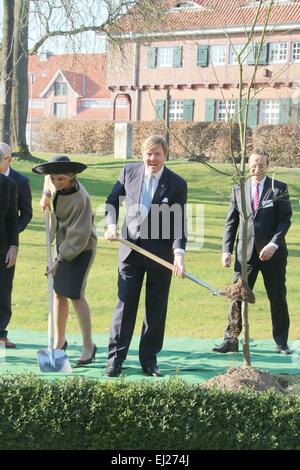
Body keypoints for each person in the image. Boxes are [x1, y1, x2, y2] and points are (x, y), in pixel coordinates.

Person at [104, 135, 187, 377]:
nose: (153, 159)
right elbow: (112, 200)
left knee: (156, 308)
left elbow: (179, 222)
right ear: (143, 154)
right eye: (149, 154)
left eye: (158, 154)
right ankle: (115, 360)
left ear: (165, 155)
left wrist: (179, 255)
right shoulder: (129, 172)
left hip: (161, 257)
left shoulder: (177, 184)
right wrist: (111, 224)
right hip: (130, 252)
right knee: (124, 305)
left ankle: (149, 360)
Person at [213, 148, 292, 355]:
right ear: (248, 164)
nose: (257, 168)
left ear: (268, 164)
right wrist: (226, 251)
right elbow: (231, 222)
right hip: (244, 255)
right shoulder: (239, 188)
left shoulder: (279, 188)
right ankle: (230, 340)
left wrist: (273, 245)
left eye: (262, 164)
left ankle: (281, 343)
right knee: (236, 296)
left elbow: (285, 220)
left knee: (277, 297)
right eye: (254, 164)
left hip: (272, 255)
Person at [32, 156, 97, 365]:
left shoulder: (81, 199)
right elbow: (47, 182)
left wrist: (58, 260)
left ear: (71, 178)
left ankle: (89, 346)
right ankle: (59, 342)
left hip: (81, 247)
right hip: (62, 244)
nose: (57, 183)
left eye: (61, 180)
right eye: (54, 179)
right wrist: (45, 196)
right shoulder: (52, 181)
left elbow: (79, 236)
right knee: (58, 293)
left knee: (75, 295)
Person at [0, 142, 32, 348]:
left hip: (3, 246)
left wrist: (13, 245)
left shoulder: (10, 185)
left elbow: (13, 218)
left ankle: (0, 332)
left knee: (3, 289)